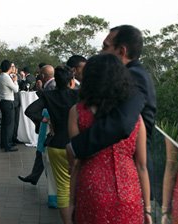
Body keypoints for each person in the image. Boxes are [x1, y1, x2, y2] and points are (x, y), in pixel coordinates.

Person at [68, 53, 151, 224]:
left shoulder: (77, 112)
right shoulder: (134, 117)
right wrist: (148, 209)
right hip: (129, 193)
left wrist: (71, 205)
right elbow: (142, 165)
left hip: (91, 191)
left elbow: (75, 164)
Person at [66, 25, 157, 167]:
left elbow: (122, 122)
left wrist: (76, 147)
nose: (101, 53)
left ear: (121, 51)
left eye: (105, 47)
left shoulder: (133, 76)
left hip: (130, 169)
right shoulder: (131, 74)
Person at [23, 66, 79, 224]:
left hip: (55, 145)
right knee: (77, 187)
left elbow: (29, 111)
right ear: (71, 81)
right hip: (76, 145)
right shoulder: (77, 95)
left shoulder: (48, 95)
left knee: (62, 188)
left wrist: (44, 120)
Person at [0, 60, 19, 151]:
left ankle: (4, 143)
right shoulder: (6, 77)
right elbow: (16, 89)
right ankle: (8, 145)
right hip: (8, 102)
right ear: (9, 67)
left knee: (5, 125)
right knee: (9, 125)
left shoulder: (1, 76)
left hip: (3, 101)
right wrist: (15, 81)